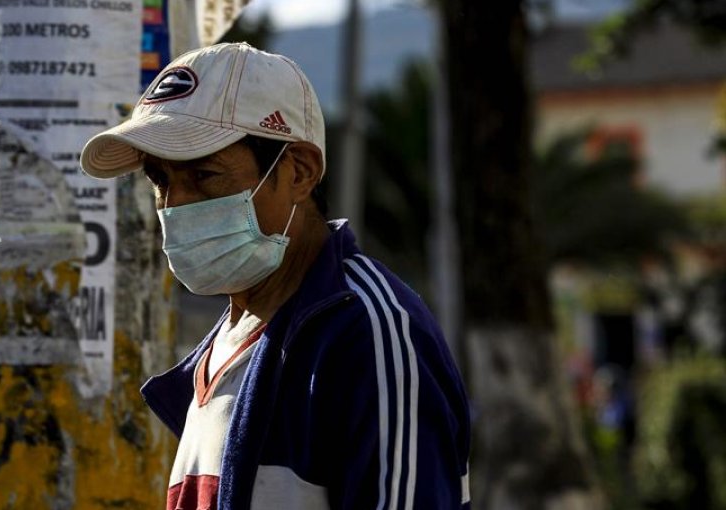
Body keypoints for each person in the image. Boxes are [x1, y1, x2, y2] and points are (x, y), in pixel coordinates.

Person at [81, 42, 470, 510]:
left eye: (203, 175)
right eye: (161, 180)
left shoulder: (368, 336)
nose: (174, 204)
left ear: (300, 173)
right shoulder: (227, 346)